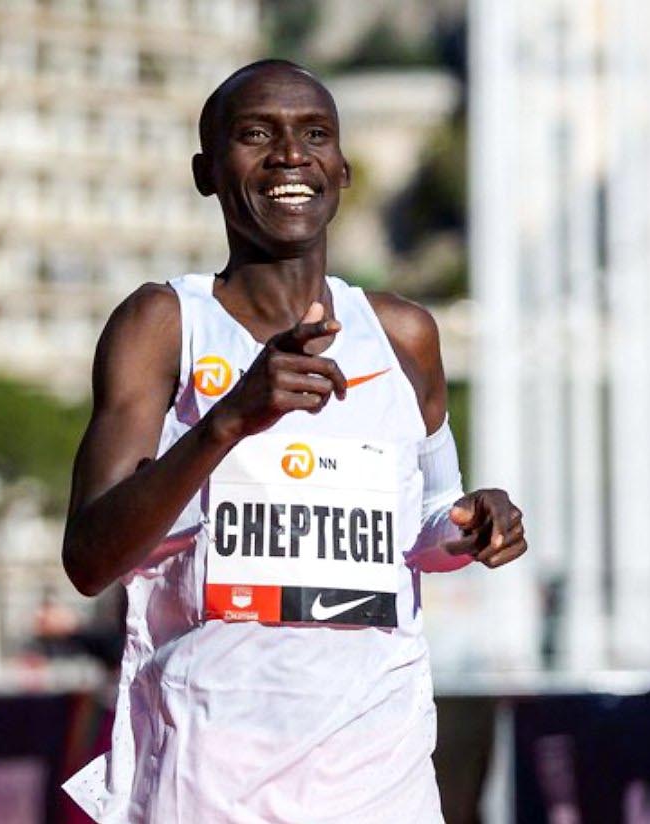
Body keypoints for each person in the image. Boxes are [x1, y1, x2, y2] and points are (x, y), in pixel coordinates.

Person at [61, 60, 528, 823]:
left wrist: (476, 523)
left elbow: (430, 518)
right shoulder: (163, 325)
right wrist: (228, 421)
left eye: (315, 135)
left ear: (342, 169)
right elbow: (89, 558)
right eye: (255, 135)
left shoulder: (403, 335)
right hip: (207, 771)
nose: (289, 156)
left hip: (378, 771)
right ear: (207, 172)